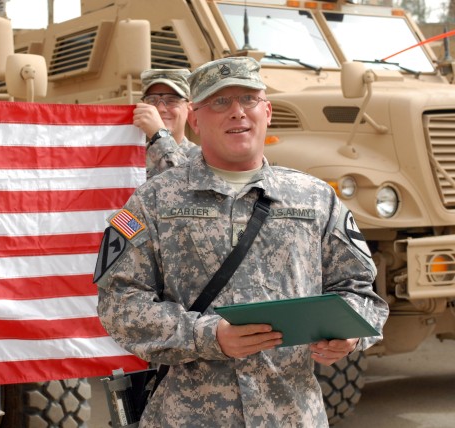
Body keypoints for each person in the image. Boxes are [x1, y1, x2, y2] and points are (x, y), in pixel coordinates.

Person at [93, 57, 389, 427]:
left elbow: (361, 292)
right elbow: (119, 304)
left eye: (248, 99)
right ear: (196, 119)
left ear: (267, 111)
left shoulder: (315, 199)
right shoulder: (153, 202)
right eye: (219, 102)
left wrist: (348, 335)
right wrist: (208, 335)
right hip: (188, 417)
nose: (237, 112)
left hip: (291, 416)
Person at [135, 68, 200, 178]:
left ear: (189, 108)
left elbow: (187, 187)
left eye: (172, 100)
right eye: (152, 100)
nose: (161, 109)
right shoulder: (133, 159)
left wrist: (159, 135)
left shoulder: (203, 158)